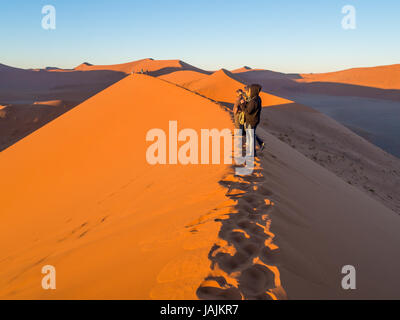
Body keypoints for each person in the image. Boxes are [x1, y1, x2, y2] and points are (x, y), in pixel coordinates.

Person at [243, 84, 265, 156]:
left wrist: (242, 105)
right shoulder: (257, 98)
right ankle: (259, 144)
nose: (249, 92)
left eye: (250, 90)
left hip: (251, 121)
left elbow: (248, 111)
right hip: (254, 120)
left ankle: (252, 153)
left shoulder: (254, 101)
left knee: (250, 137)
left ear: (253, 91)